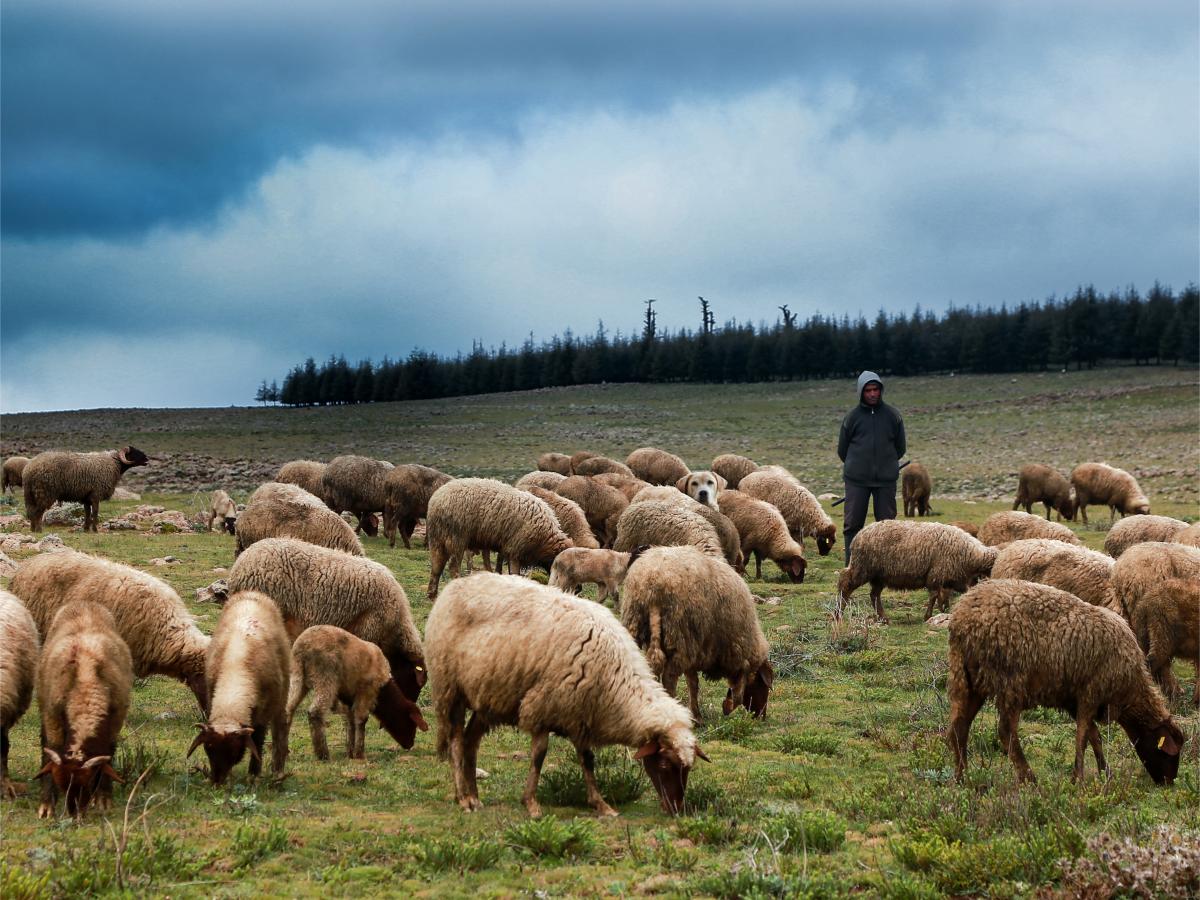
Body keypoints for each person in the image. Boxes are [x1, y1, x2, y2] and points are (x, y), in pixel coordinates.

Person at [837, 370, 905, 564]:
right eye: (868, 390)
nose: (873, 394)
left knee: (887, 526)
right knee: (852, 524)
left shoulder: (893, 416)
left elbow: (900, 448)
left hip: (885, 481)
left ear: (880, 390)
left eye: (876, 389)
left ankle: (887, 566)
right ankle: (851, 565)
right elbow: (843, 450)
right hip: (857, 481)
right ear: (861, 392)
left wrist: (886, 465)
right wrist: (858, 466)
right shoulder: (852, 418)